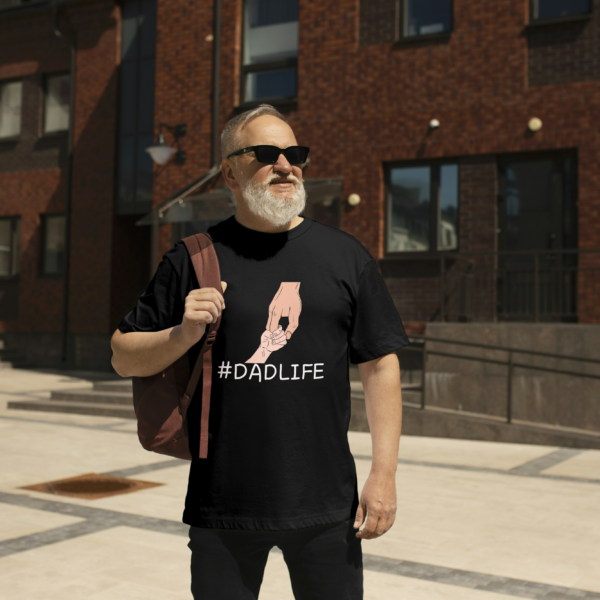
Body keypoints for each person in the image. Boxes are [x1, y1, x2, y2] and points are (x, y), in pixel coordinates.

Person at [110, 104, 409, 600]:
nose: (285, 165)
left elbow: (380, 365)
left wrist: (384, 473)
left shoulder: (345, 255)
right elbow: (123, 355)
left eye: (294, 154)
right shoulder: (192, 258)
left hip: (327, 507)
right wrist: (182, 334)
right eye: (267, 154)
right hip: (224, 504)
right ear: (229, 171)